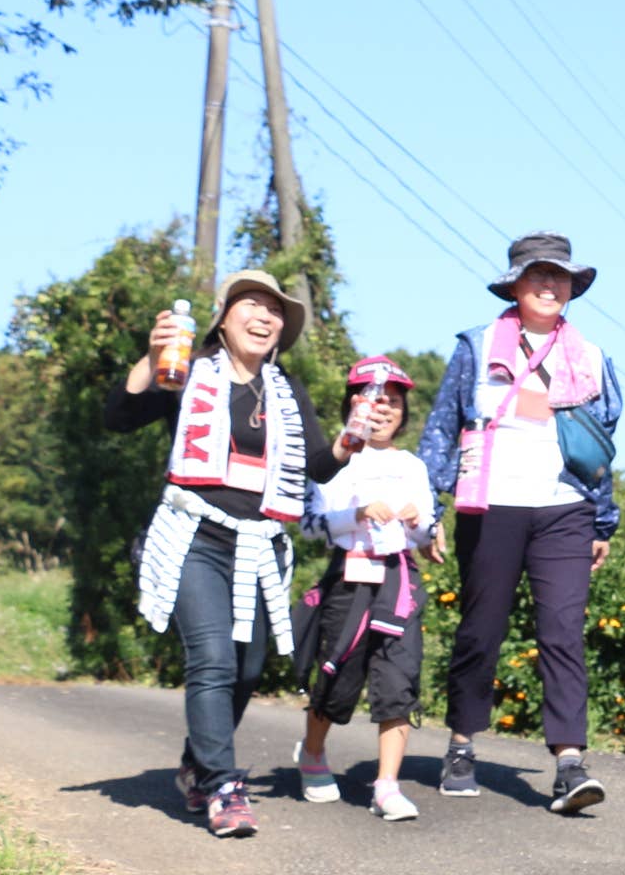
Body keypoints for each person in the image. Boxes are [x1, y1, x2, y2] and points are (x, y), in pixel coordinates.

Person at [107, 269, 342, 838]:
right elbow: (118, 417)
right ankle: (222, 785)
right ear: (223, 316)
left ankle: (196, 762)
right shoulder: (187, 373)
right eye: (252, 305)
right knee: (211, 657)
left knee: (247, 667)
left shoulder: (286, 391)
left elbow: (319, 465)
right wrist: (151, 356)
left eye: (275, 311)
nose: (264, 317)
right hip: (194, 537)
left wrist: (348, 442)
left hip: (259, 545)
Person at [419, 232, 622, 812]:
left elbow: (601, 444)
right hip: (492, 502)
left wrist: (602, 522)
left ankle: (568, 762)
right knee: (481, 629)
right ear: (515, 284)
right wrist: (431, 507)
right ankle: (461, 743)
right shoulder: (477, 346)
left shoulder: (593, 356)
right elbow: (441, 426)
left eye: (560, 277)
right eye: (538, 275)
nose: (549, 285)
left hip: (565, 507)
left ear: (572, 288)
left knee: (562, 632)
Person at [290, 357, 436, 822]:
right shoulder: (333, 459)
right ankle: (312, 753)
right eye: (375, 400)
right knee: (337, 679)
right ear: (354, 405)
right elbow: (309, 525)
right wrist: (354, 515)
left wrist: (422, 522)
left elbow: (430, 532)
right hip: (347, 578)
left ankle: (386, 786)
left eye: (393, 403)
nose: (384, 410)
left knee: (399, 679)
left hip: (398, 579)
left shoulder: (412, 465)